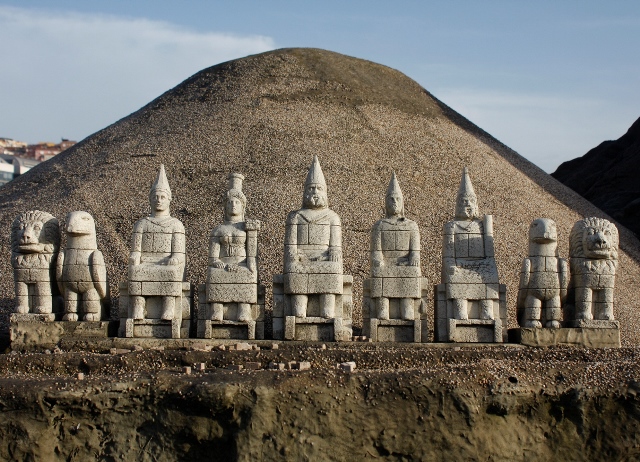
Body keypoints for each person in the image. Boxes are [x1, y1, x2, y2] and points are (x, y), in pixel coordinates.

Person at [284, 155, 342, 318]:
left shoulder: (332, 217)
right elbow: (290, 245)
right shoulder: (295, 217)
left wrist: (332, 255)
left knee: (333, 268)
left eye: (318, 188)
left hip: (323, 259)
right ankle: (299, 308)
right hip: (302, 258)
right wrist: (295, 255)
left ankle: (327, 308)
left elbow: (335, 247)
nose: (315, 192)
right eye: (311, 188)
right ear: (305, 192)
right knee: (294, 268)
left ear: (325, 192)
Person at [128, 164, 185, 320]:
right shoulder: (141, 224)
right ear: (150, 199)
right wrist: (135, 256)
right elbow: (136, 250)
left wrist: (175, 259)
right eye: (155, 197)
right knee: (136, 270)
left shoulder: (176, 224)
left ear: (169, 200)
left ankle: (168, 307)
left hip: (166, 262)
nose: (158, 200)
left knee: (171, 272)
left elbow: (179, 253)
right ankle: (139, 306)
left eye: (162, 197)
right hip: (146, 262)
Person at [442, 167, 499, 320]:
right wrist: (450, 264)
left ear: (475, 204)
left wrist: (489, 263)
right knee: (456, 278)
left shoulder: (482, 226)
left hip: (480, 265)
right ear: (458, 205)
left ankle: (486, 310)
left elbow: (489, 253)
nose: (467, 204)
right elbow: (448, 253)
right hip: (460, 265)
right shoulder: (451, 226)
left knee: (489, 276)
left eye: (470, 201)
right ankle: (460, 311)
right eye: (464, 201)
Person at [207, 173, 259, 322]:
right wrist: (218, 263)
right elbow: (213, 257)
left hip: (241, 264)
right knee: (214, 274)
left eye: (237, 202)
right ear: (225, 206)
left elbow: (252, 254)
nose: (233, 205)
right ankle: (217, 309)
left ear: (243, 206)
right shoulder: (218, 230)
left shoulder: (247, 228)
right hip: (223, 264)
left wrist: (246, 265)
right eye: (230, 202)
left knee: (248, 274)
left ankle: (244, 309)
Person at [370, 172, 421, 320]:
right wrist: (378, 260)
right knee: (379, 272)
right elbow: (376, 251)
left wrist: (414, 257)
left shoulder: (412, 226)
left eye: (397, 199)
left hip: (405, 263)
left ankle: (407, 309)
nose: (394, 201)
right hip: (386, 263)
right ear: (386, 202)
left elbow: (415, 250)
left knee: (412, 272)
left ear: (402, 202)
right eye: (391, 199)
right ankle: (383, 309)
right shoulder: (379, 225)